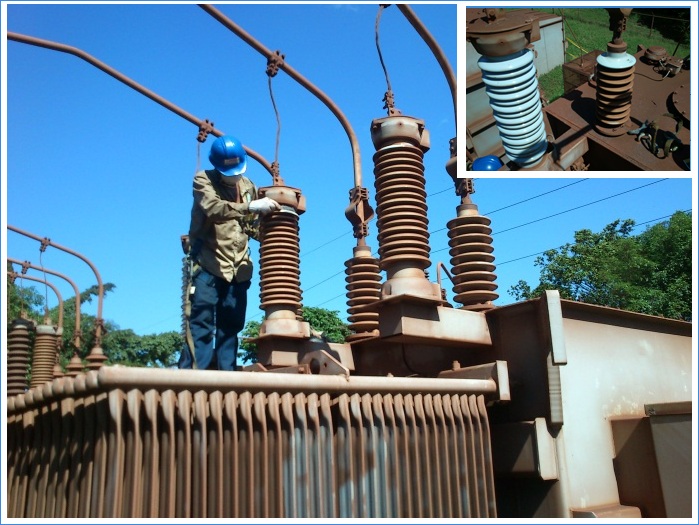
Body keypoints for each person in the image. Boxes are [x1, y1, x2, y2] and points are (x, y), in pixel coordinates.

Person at [178, 135, 279, 370]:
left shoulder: (248, 187)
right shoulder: (203, 181)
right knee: (201, 325)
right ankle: (194, 381)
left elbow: (250, 227)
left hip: (238, 269)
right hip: (207, 265)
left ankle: (227, 378)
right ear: (217, 165)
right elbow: (214, 208)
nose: (234, 175)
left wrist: (275, 230)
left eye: (237, 170)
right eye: (229, 171)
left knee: (231, 327)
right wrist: (251, 206)